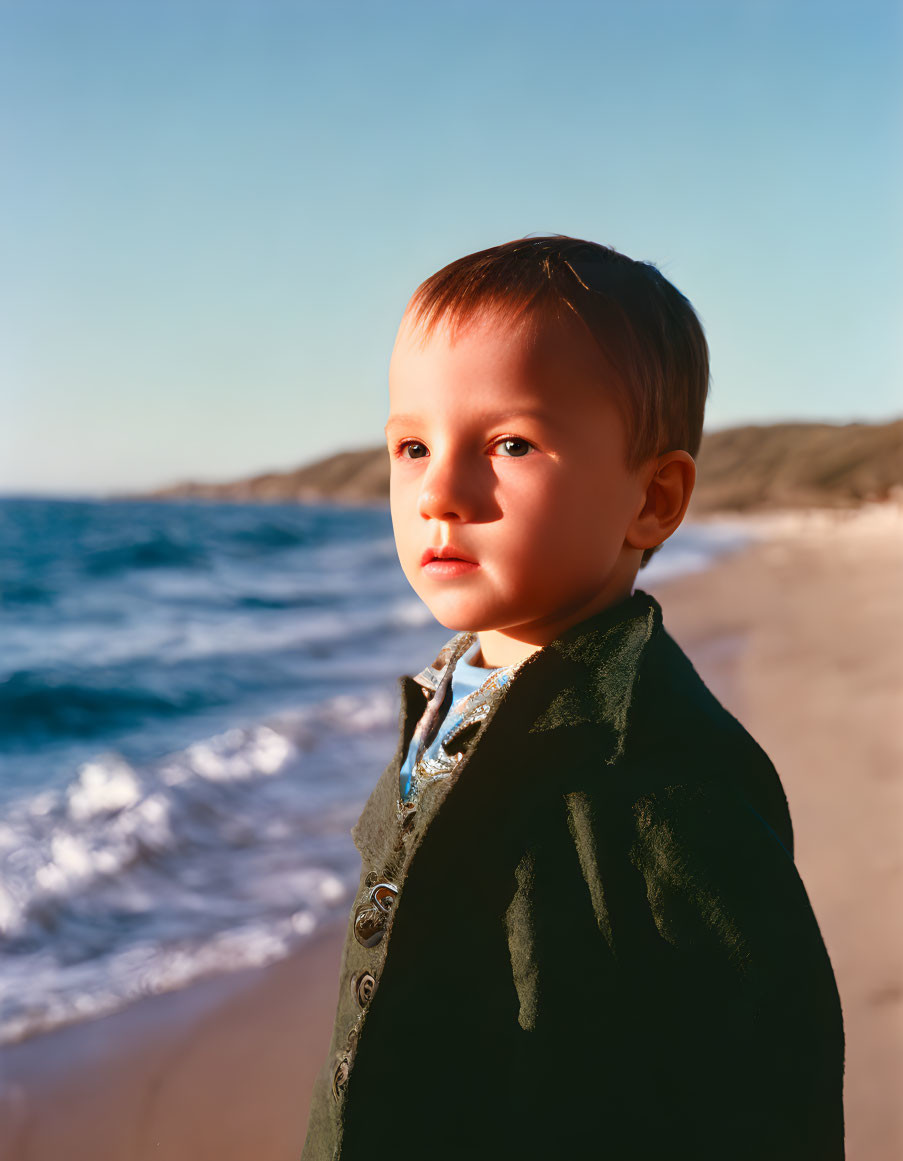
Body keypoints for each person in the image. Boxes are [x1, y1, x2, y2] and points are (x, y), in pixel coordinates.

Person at [301, 236, 845, 1161]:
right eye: (412, 445)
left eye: (510, 443)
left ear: (654, 499)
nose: (439, 490)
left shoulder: (665, 774)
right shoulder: (452, 695)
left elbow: (766, 1080)